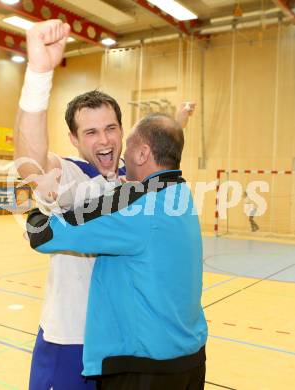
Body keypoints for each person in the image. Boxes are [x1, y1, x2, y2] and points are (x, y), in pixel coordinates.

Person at [14, 19, 196, 390]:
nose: (104, 139)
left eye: (111, 128)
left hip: (119, 348)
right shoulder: (71, 174)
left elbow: (160, 154)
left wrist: (177, 123)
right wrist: (39, 75)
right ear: (74, 139)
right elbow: (29, 157)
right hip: (71, 340)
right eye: (91, 132)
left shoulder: (133, 179)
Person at [26, 113, 208, 390]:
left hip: (146, 366)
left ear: (143, 153)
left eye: (129, 145)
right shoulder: (179, 193)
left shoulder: (135, 206)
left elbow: (44, 236)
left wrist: (35, 211)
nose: (121, 153)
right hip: (190, 358)